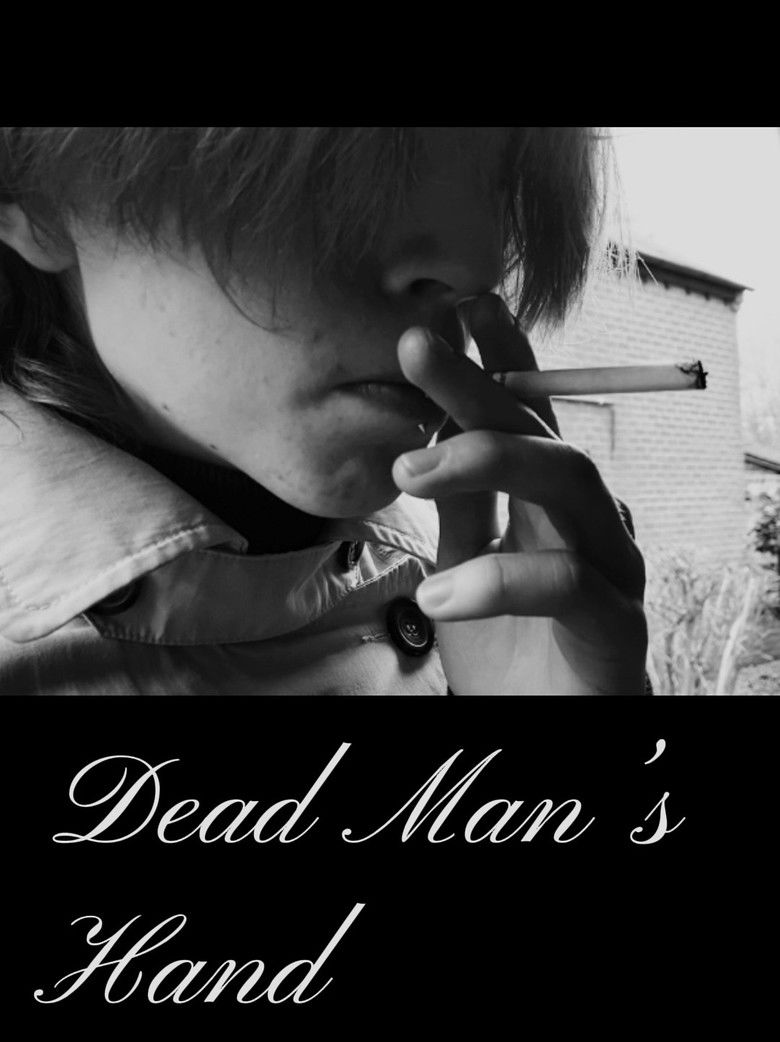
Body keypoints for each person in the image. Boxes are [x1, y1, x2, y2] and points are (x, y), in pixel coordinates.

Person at [0, 127, 648, 695]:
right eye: (356, 157)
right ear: (40, 198)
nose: (479, 264)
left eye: (502, 180)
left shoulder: (475, 593)